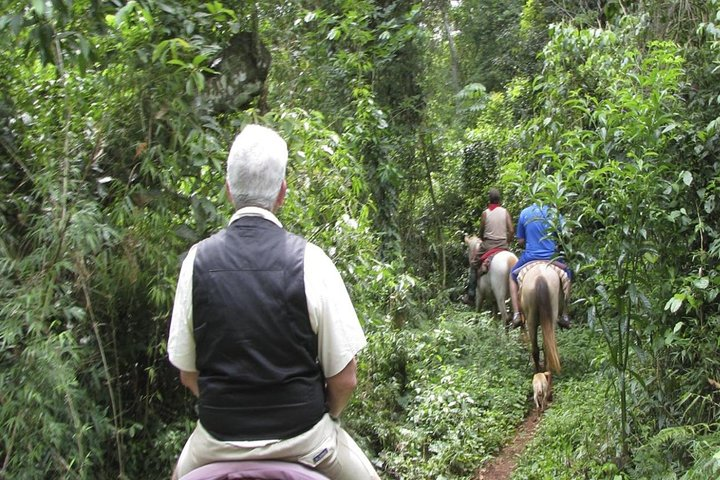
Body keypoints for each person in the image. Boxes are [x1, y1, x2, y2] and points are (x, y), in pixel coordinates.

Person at [167, 124, 380, 480]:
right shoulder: (311, 261)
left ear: (228, 190)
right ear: (282, 192)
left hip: (216, 439)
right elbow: (345, 379)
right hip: (306, 440)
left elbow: (188, 373)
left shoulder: (195, 262)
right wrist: (327, 414)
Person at [508, 202, 572, 329]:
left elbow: (520, 241)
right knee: (569, 273)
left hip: (529, 258)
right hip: (552, 258)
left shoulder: (525, 213)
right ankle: (564, 314)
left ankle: (516, 314)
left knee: (512, 276)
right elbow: (566, 235)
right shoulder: (555, 213)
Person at [460, 188, 514, 306]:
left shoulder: (486, 213)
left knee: (474, 263)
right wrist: (507, 242)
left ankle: (471, 294)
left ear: (489, 199)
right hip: (503, 245)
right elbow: (511, 230)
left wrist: (482, 238)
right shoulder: (505, 212)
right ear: (499, 200)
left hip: (488, 245)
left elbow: (481, 232)